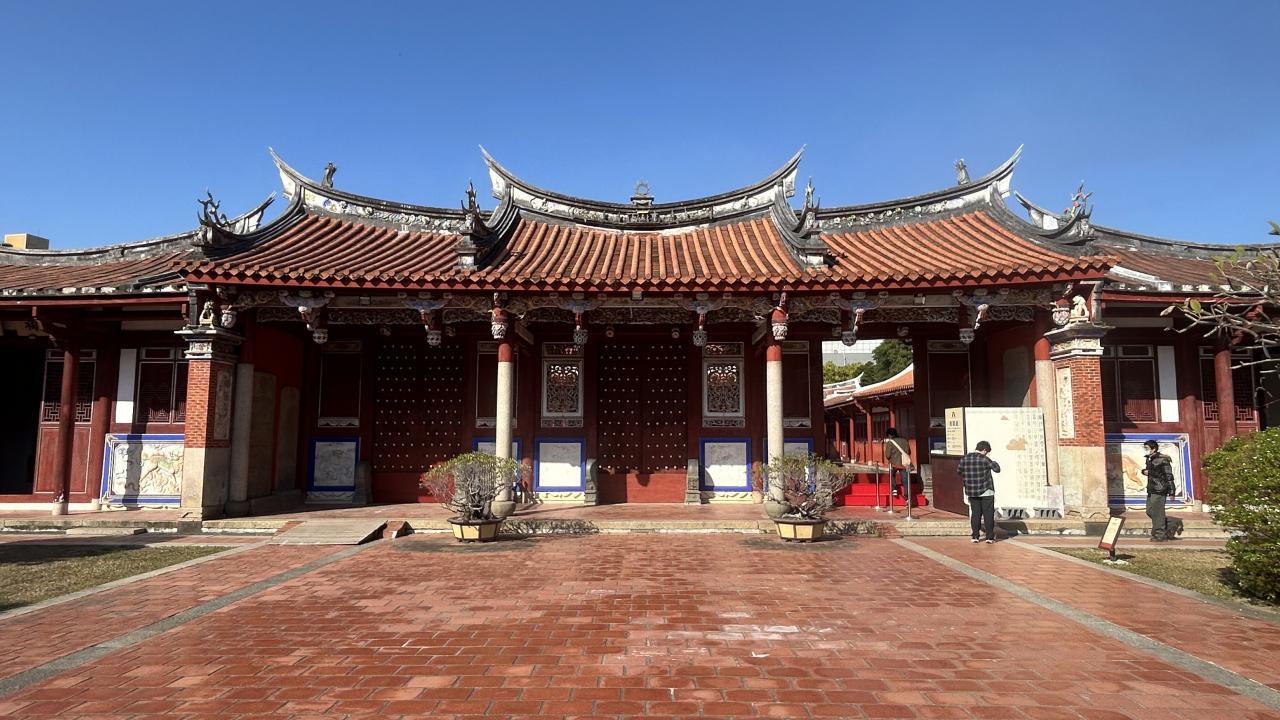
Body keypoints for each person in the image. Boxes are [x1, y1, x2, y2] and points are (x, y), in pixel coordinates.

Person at [958, 440, 1001, 543]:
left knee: (975, 514)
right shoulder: (985, 459)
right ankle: (989, 537)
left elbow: (959, 472)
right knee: (988, 514)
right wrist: (994, 462)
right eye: (987, 452)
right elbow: (997, 469)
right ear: (984, 450)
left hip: (972, 491)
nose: (987, 454)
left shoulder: (965, 459)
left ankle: (975, 536)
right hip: (986, 490)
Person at [1140, 440, 1177, 541]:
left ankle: (1160, 535)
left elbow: (1168, 476)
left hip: (1160, 489)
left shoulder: (1163, 460)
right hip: (1151, 489)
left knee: (1158, 513)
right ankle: (1169, 524)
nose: (1145, 450)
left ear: (1154, 448)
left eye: (1147, 448)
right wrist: (1144, 471)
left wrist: (1172, 491)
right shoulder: (1149, 458)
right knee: (1149, 511)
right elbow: (1150, 472)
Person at [884, 428, 913, 504]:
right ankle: (907, 498)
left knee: (892, 474)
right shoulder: (905, 441)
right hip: (904, 463)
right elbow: (909, 452)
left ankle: (894, 489)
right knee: (905, 480)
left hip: (894, 464)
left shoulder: (890, 442)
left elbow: (887, 455)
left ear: (889, 435)